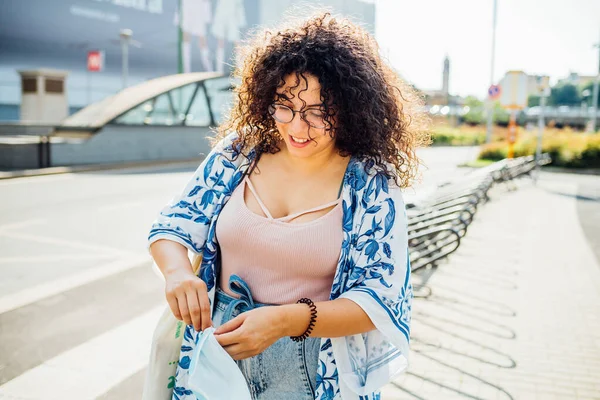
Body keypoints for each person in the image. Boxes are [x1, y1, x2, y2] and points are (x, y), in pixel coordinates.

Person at [148, 12, 429, 400]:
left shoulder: (370, 182)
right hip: (215, 356)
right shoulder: (239, 152)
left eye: (318, 111)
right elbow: (173, 226)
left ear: (350, 108)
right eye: (284, 105)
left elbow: (380, 299)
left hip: (314, 370)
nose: (298, 127)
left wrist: (283, 321)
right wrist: (177, 273)